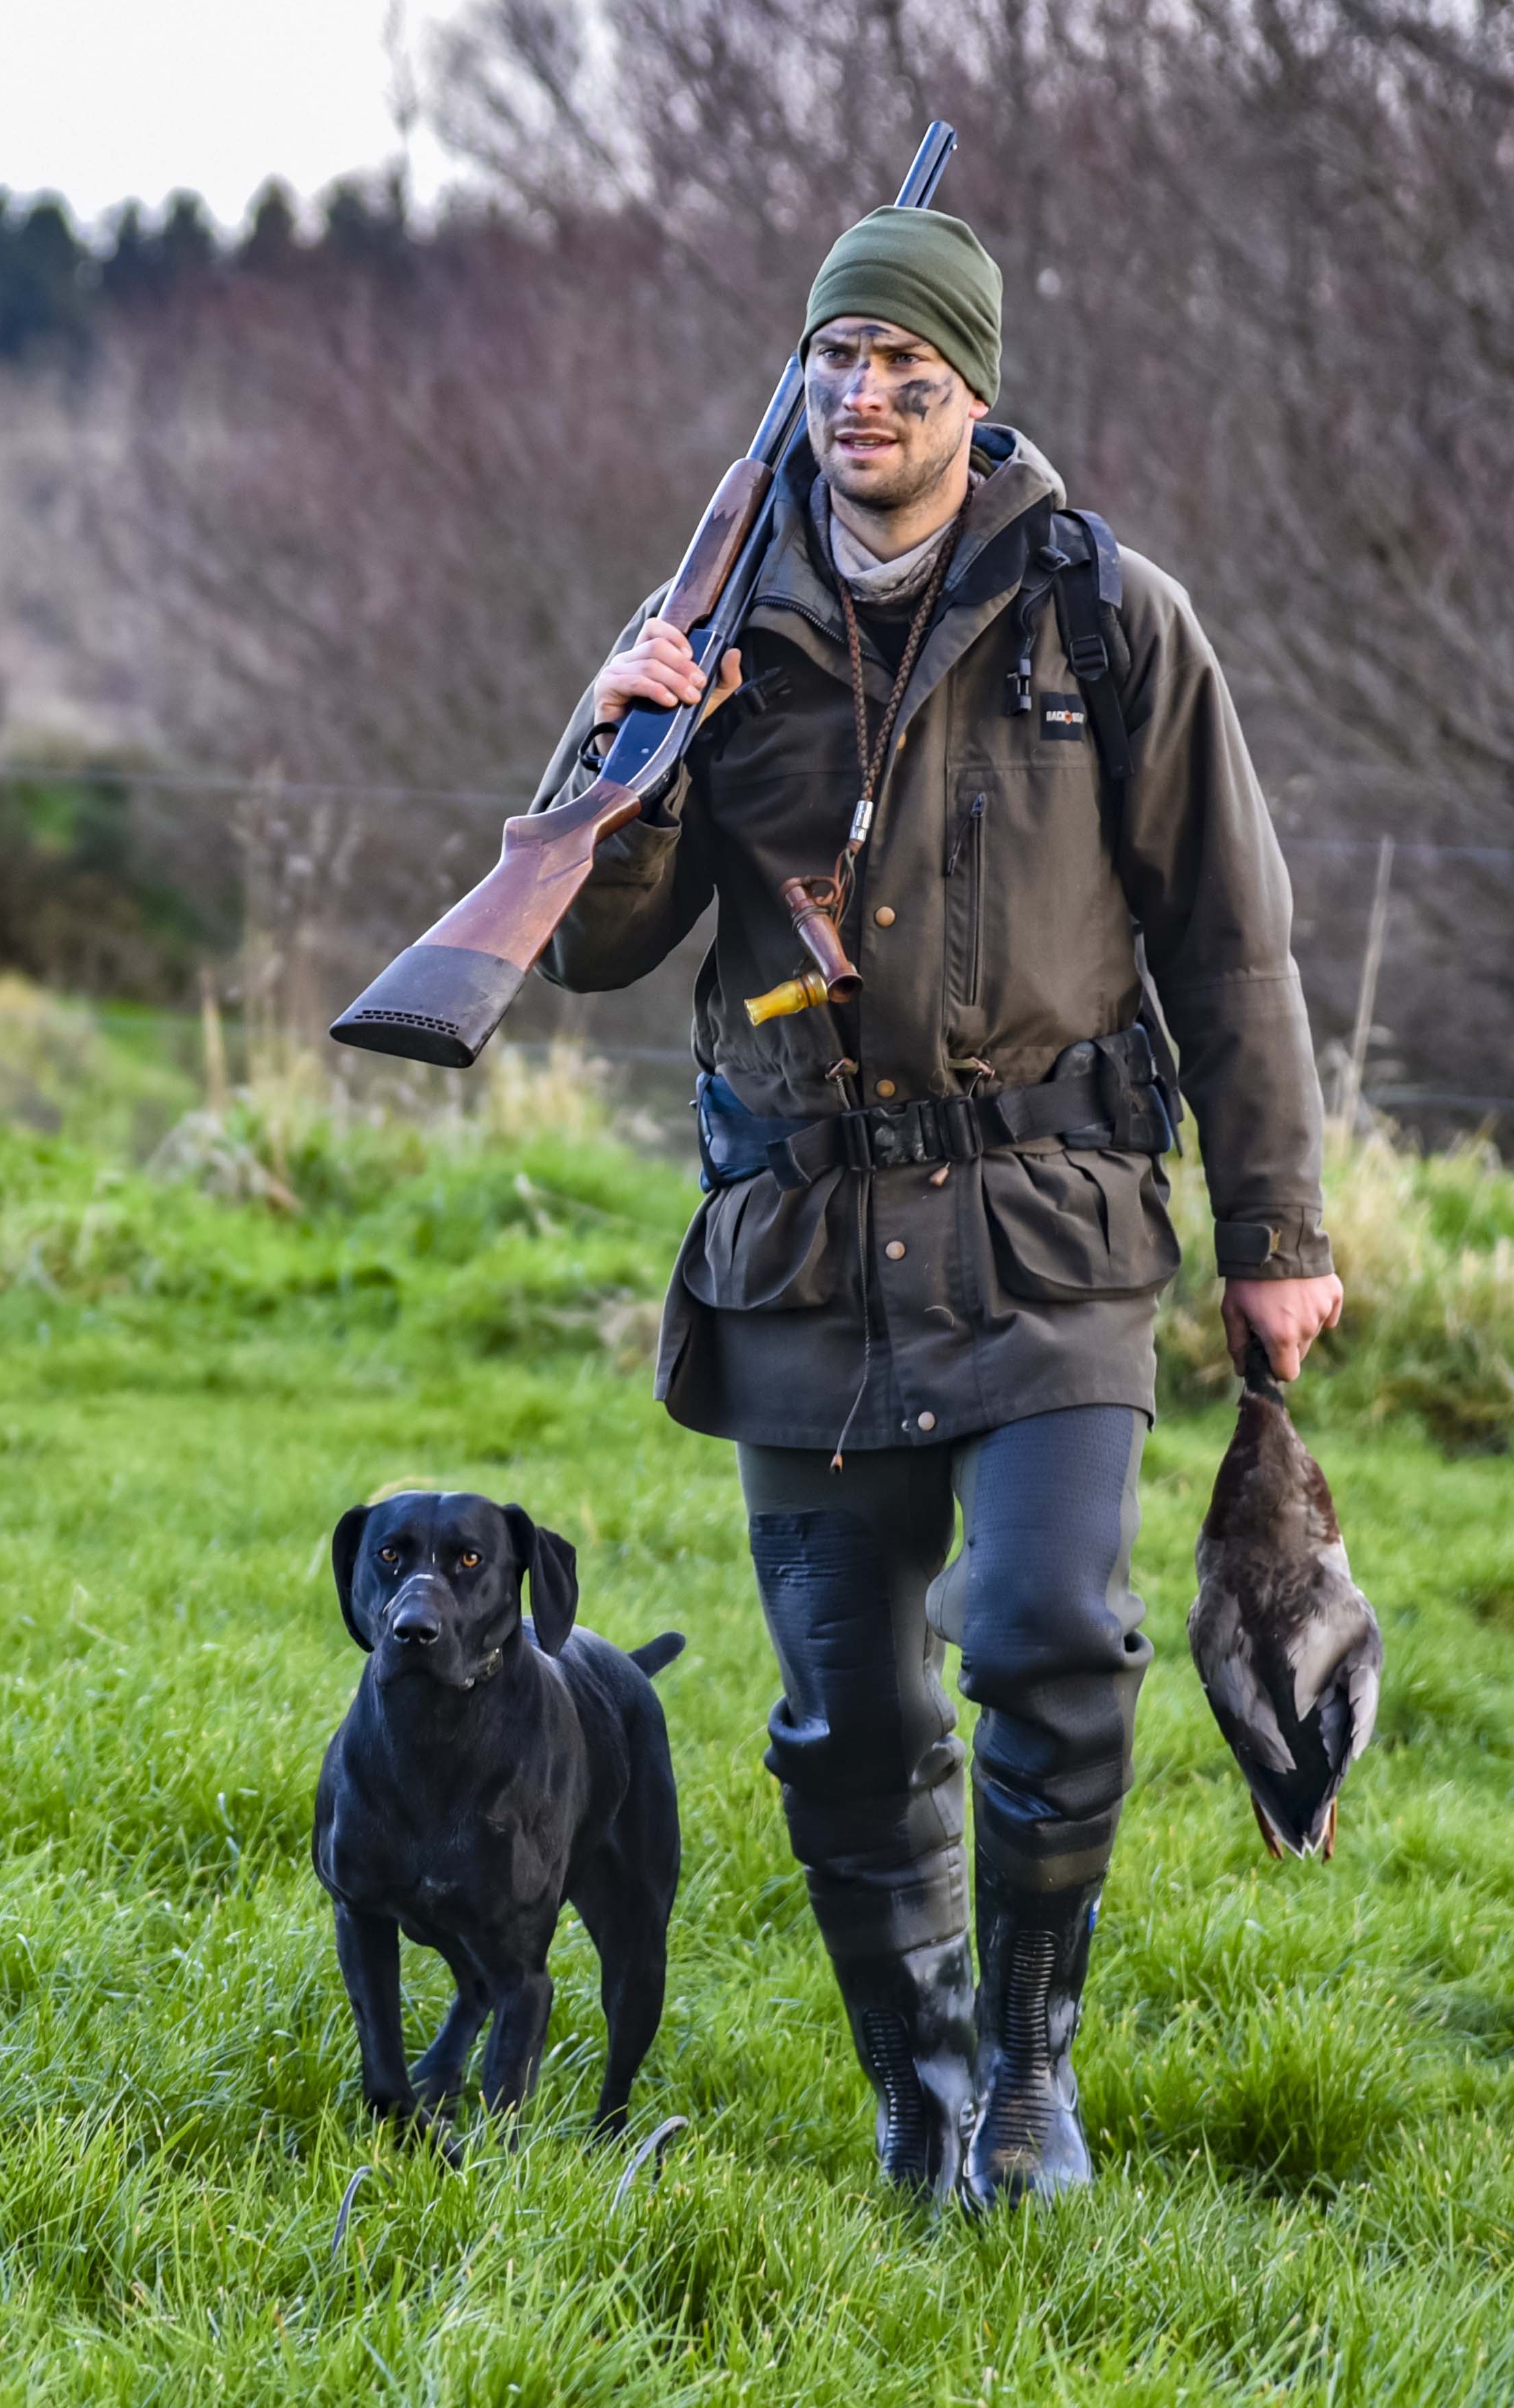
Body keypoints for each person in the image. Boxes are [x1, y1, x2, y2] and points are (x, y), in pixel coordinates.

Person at [533, 203, 1342, 2209]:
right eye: (837, 362)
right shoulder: (714, 627)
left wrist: (1276, 1234)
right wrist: (627, 751)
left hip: (1053, 1232)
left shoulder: (1109, 618)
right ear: (802, 381)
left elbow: (1233, 942)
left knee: (1053, 1633)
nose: (867, 397)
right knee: (844, 1717)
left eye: (908, 368)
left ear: (976, 395)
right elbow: (590, 947)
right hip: (802, 1251)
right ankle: (920, 2087)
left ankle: (1032, 2083)